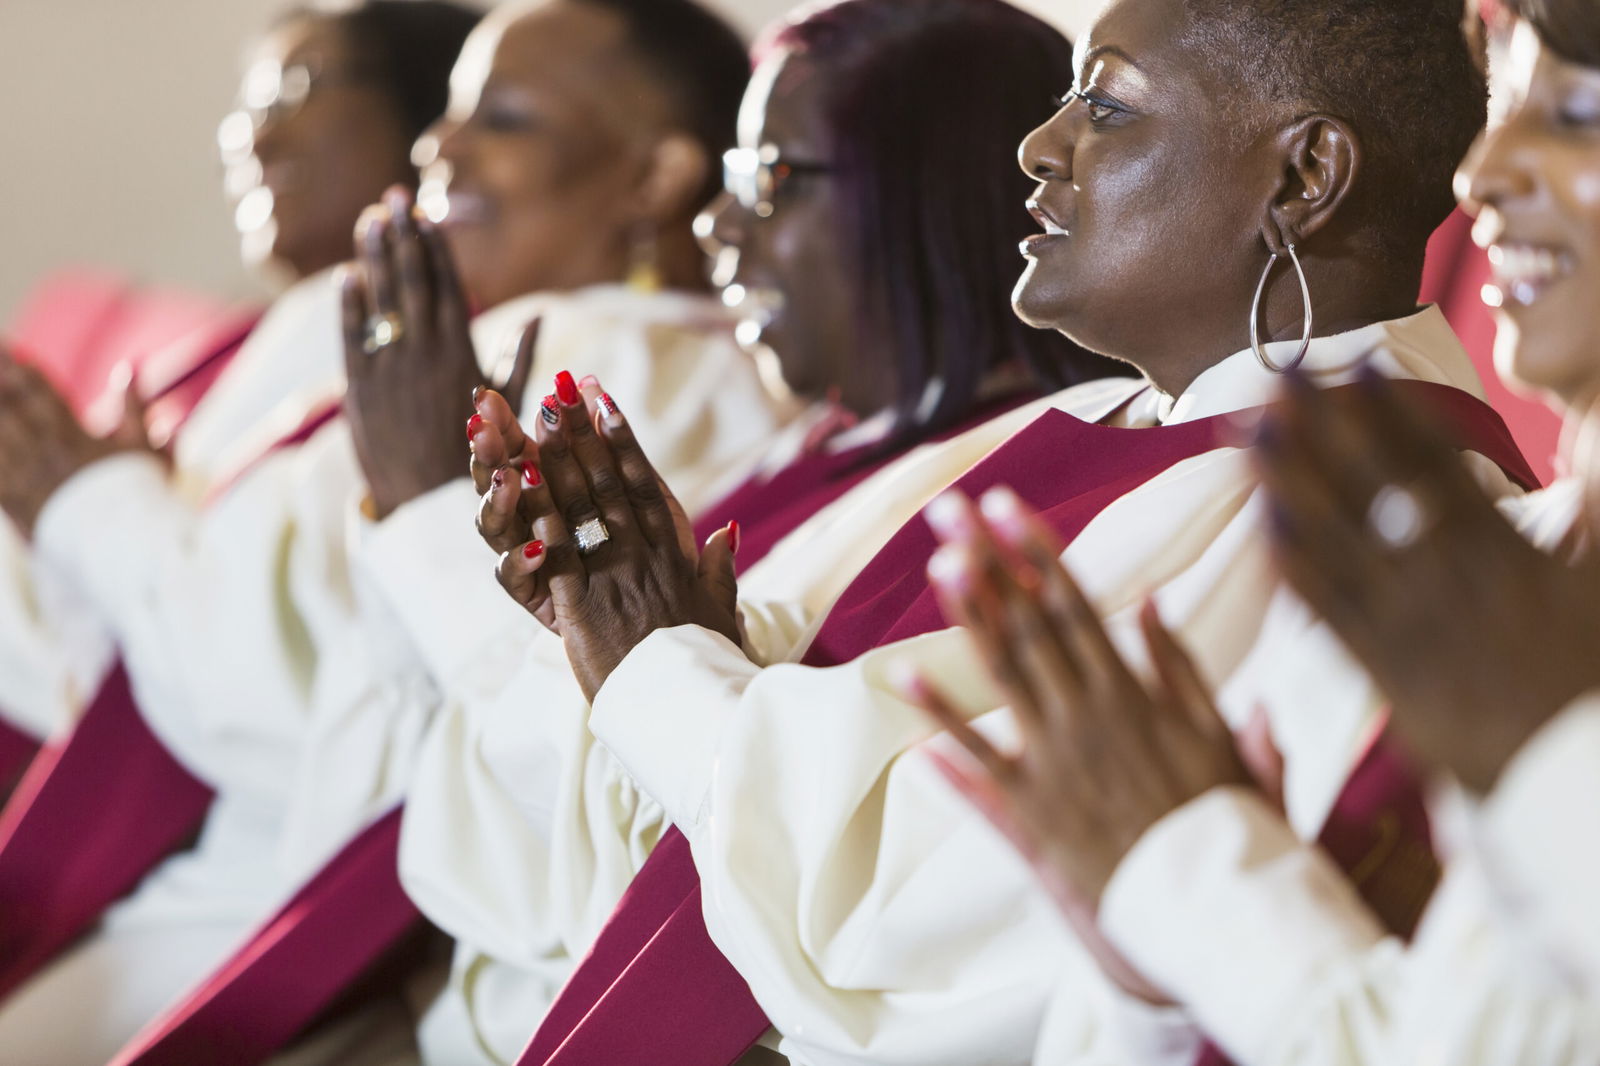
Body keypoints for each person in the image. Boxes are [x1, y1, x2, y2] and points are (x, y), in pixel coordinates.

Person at [464, 0, 1531, 1061]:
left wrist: (659, 668)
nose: (1039, 145)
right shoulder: (1106, 423)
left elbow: (939, 905)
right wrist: (633, 628)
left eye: (1106, 104)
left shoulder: (1365, 521)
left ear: (1303, 180)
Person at [404, 1, 1118, 1060]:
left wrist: (641, 659)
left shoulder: (1016, 491)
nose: (716, 225)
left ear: (921, 191)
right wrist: (592, 631)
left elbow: (773, 870)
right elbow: (503, 845)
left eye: (766, 180)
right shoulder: (821, 443)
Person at [906, 4, 1600, 1064]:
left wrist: (1187, 873)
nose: (1481, 174)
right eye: (1507, 111)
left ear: (1305, 176)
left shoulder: (1420, 526)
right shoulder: (1512, 559)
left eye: (1579, 111)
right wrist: (1149, 945)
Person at [0, 4, 480, 1063]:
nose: (254, 135)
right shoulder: (256, 343)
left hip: (247, 864)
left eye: (302, 94)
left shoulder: (441, 361)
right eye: (252, 102)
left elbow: (260, 691)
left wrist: (83, 506)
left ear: (425, 119)